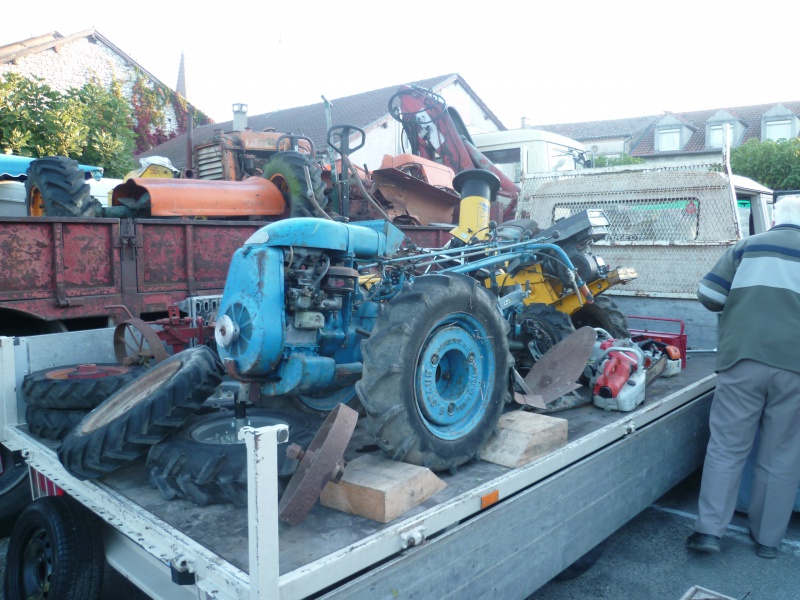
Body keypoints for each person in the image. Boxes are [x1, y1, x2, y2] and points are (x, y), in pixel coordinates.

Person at [687, 194, 800, 558]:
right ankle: (767, 541)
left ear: (775, 218)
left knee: (727, 447)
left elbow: (708, 294)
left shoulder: (747, 246)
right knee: (781, 453)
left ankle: (709, 533)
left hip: (743, 359)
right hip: (795, 368)